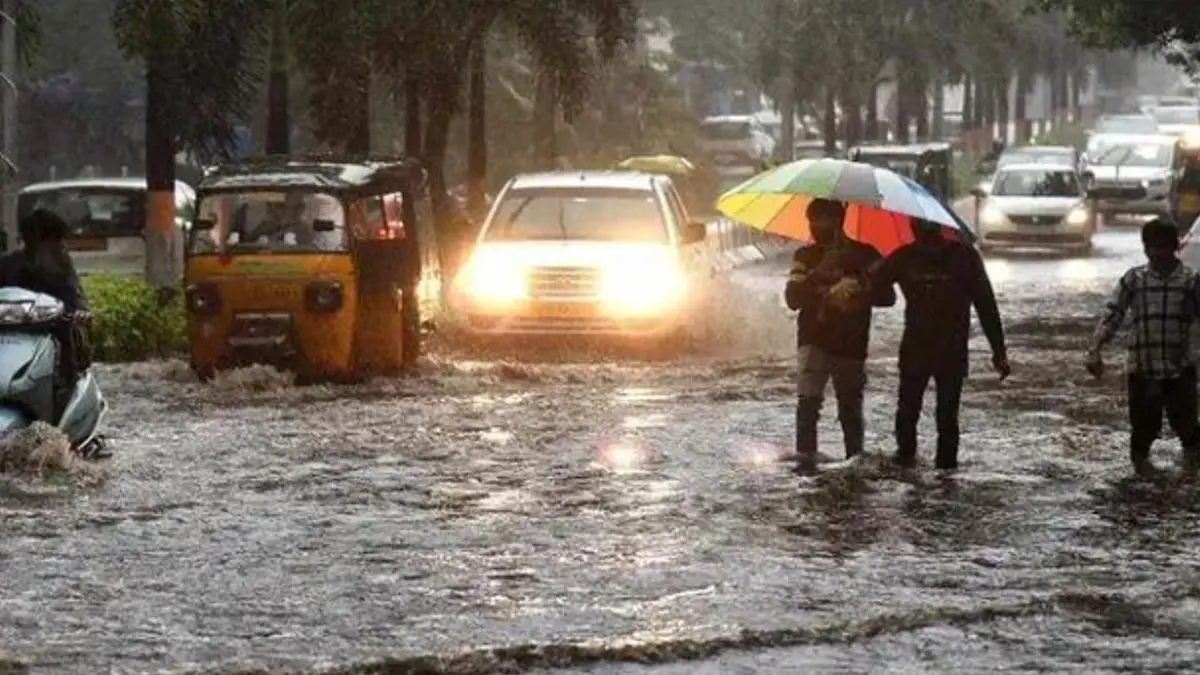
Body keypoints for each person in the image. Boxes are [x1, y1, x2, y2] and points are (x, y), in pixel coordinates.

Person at [871, 218, 1009, 470]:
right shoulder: (914, 257)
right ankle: (929, 471)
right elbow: (876, 290)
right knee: (918, 415)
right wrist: (999, 352)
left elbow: (985, 304)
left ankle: (922, 470)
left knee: (931, 416)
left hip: (940, 348)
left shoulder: (922, 256)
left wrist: (999, 351)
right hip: (930, 348)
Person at [785, 198, 896, 474]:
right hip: (813, 340)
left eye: (821, 221)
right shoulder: (804, 256)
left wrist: (861, 290)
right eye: (812, 221)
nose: (815, 227)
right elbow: (792, 298)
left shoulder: (866, 254)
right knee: (808, 407)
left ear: (838, 221)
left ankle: (854, 464)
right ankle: (806, 466)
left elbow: (888, 296)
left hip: (852, 343)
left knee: (850, 409)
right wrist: (820, 273)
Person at [1087, 219, 1200, 476]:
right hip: (1142, 368)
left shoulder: (1191, 281)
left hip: (1179, 368)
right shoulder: (1134, 279)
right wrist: (1095, 348)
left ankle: (1190, 478)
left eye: (1162, 248)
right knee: (1142, 432)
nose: (1156, 254)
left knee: (1189, 431)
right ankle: (1141, 479)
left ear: (1175, 247)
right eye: (1150, 248)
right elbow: (1113, 314)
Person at [0, 209, 92, 410]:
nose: (60, 247)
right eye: (53, 241)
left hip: (52, 334)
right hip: (10, 336)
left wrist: (80, 313)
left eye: (60, 241)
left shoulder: (62, 265)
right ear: (33, 241)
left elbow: (77, 298)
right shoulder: (8, 266)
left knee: (68, 341)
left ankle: (63, 398)